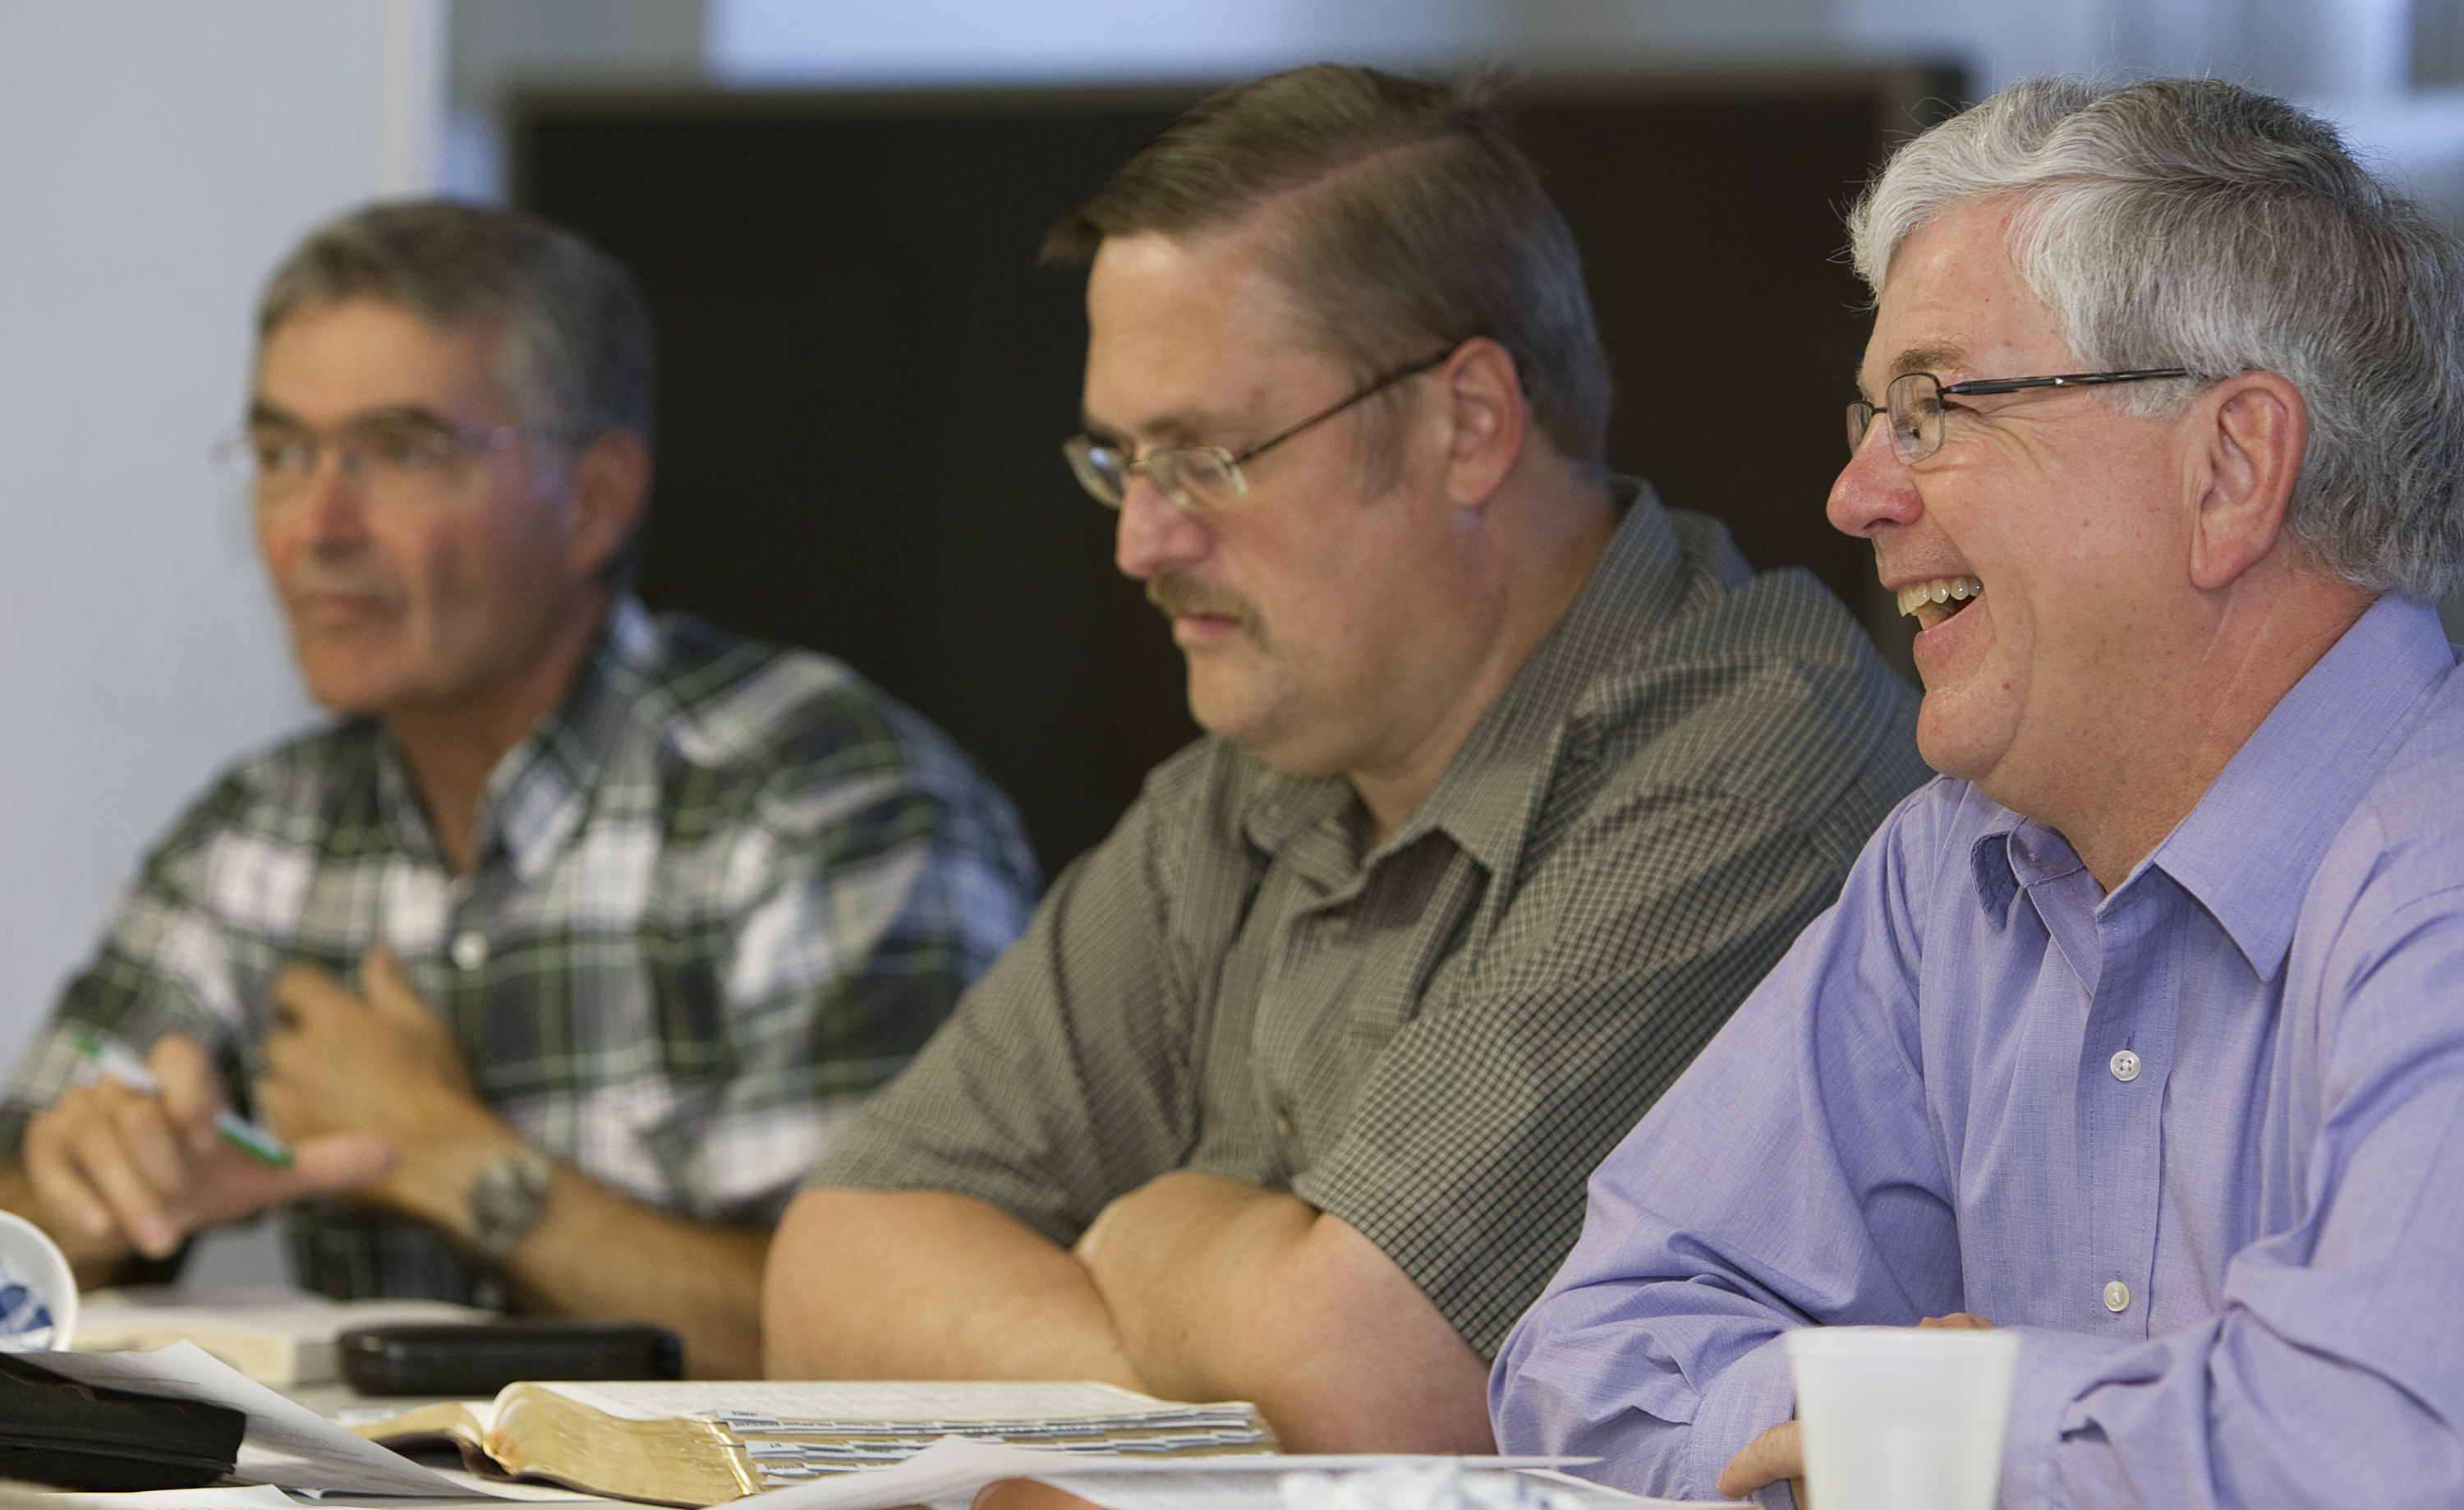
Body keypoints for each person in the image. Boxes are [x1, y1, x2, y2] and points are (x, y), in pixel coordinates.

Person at [764, 64, 1925, 1448]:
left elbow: (1368, 1377)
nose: (1140, 539)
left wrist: (1148, 1225)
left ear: (1469, 424)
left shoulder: (1748, 760)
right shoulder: (1263, 764)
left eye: (1207, 455)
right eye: (1120, 458)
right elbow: (829, 1266)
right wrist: (1202, 1343)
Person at [1491, 75, 2464, 1508]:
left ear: (2231, 470)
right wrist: (1907, 1415)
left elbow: (2379, 1448)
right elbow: (1586, 1368)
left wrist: (1965, 1421)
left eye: (1935, 407)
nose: (1857, 494)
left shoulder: (2436, 877)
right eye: (1875, 414)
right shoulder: (1950, 872)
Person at [0, 202, 1041, 1379]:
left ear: (594, 499)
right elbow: (19, 1200)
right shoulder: (261, 830)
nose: (317, 528)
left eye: (400, 451)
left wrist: (447, 1155)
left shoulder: (835, 806)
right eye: (284, 454)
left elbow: (910, 1346)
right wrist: (83, 1201)